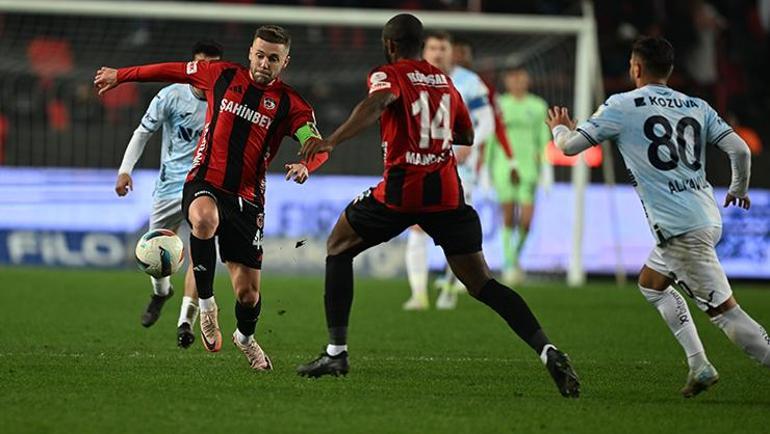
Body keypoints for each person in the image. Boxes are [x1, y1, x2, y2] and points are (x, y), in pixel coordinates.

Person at [296, 13, 579, 398]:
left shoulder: (389, 74)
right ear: (422, 44)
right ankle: (547, 350)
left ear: (391, 45)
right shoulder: (446, 82)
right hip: (447, 195)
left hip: (401, 192)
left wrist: (332, 140)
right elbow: (465, 133)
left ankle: (336, 353)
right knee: (482, 284)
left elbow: (379, 102)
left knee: (338, 246)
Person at [547, 36, 769, 397]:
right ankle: (699, 365)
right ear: (669, 69)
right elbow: (740, 148)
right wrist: (739, 189)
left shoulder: (621, 105)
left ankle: (714, 363)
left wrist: (559, 127)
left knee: (726, 313)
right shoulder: (696, 105)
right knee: (652, 284)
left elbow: (570, 147)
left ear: (635, 68)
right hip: (706, 216)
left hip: (680, 230)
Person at [96, 25, 328, 371]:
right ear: (250, 52)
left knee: (248, 294)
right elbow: (169, 69)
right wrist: (121, 76)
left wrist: (307, 164)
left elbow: (315, 143)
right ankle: (205, 307)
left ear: (285, 62)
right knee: (203, 219)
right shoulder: (220, 74)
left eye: (273, 58)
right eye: (260, 55)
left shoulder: (292, 104)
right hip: (204, 178)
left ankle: (245, 339)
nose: (265, 63)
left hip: (248, 198)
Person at [115, 40, 223, 348]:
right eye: (201, 65)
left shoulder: (226, 101)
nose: (206, 72)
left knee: (200, 250)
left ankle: (185, 321)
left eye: (212, 66)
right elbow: (143, 131)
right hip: (168, 186)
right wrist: (125, 170)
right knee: (155, 253)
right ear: (192, 66)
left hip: (204, 186)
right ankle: (162, 293)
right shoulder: (171, 95)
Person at [402, 30, 496, 311]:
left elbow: (487, 121)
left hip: (460, 169)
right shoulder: (410, 79)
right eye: (433, 48)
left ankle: (450, 287)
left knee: (454, 230)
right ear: (424, 51)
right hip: (421, 165)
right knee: (417, 226)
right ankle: (418, 294)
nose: (438, 53)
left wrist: (471, 143)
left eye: (443, 48)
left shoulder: (469, 82)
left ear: (451, 51)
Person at [486, 67, 551, 285]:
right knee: (507, 217)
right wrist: (486, 169)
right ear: (506, 81)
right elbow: (492, 137)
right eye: (513, 79)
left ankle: (514, 258)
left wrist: (546, 169)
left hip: (529, 168)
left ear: (528, 80)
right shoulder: (499, 105)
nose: (517, 83)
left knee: (526, 221)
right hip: (503, 166)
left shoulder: (538, 106)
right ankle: (510, 264)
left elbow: (543, 139)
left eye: (521, 78)